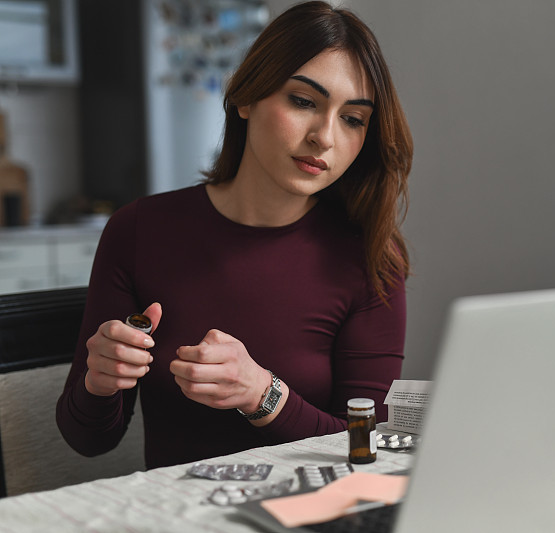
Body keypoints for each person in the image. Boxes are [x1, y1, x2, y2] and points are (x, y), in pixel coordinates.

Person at [56, 1, 413, 469]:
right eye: (304, 101)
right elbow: (87, 440)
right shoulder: (139, 230)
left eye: (353, 119)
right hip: (178, 506)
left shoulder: (371, 257)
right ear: (246, 98)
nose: (325, 137)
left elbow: (368, 447)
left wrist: (263, 395)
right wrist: (99, 380)